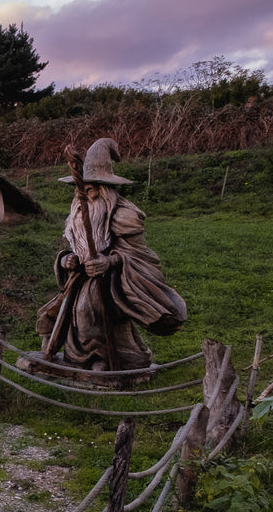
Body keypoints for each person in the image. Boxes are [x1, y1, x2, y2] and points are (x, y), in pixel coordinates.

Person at [35, 138, 186, 372]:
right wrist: (67, 260)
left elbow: (139, 255)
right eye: (79, 189)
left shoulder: (124, 215)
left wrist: (109, 261)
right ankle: (78, 358)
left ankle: (105, 358)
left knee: (88, 310)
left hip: (114, 280)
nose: (82, 195)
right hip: (80, 277)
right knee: (57, 313)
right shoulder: (76, 213)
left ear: (104, 189)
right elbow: (76, 246)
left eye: (89, 190)